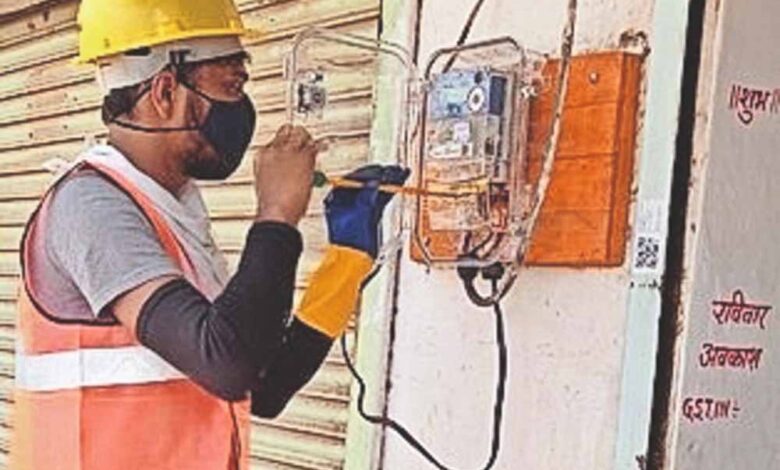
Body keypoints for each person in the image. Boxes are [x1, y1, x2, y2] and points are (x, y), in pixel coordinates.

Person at [10, 1, 409, 469]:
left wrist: (346, 261)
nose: (242, 109)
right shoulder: (90, 207)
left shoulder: (172, 210)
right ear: (165, 91)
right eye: (231, 86)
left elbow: (261, 385)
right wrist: (276, 213)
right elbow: (226, 363)